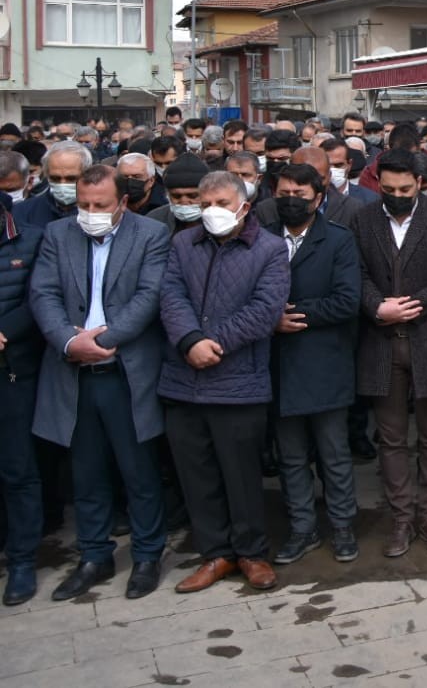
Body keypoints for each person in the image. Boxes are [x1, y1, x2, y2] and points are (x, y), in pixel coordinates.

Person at [31, 164, 170, 601]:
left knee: (138, 470)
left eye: (100, 205)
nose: (90, 213)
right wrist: (70, 342)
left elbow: (149, 296)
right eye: (84, 205)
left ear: (123, 202)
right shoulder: (57, 234)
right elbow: (43, 293)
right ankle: (94, 555)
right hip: (73, 371)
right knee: (86, 472)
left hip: (125, 371)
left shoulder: (150, 235)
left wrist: (101, 342)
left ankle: (147, 555)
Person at [159, 171, 291, 593]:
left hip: (239, 380)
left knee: (241, 475)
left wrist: (212, 343)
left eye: (221, 204)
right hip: (184, 379)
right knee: (196, 474)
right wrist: (189, 341)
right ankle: (215, 553)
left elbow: (264, 310)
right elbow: (171, 296)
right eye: (205, 205)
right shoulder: (183, 244)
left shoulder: (270, 249)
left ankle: (251, 553)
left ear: (244, 207)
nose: (212, 212)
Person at [352, 149, 427, 558]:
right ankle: (401, 520)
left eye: (405, 189)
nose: (397, 196)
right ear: (378, 184)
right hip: (381, 339)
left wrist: (413, 304)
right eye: (389, 189)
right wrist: (376, 306)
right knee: (391, 438)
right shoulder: (364, 219)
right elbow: (357, 273)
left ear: (420, 183)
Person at [266, 164, 362, 566]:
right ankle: (302, 528)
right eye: (284, 193)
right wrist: (270, 320)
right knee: (290, 456)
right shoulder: (262, 238)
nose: (291, 201)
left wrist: (294, 315)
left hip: (324, 362)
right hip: (277, 365)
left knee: (333, 453)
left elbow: (346, 301)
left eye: (300, 195)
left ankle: (342, 526)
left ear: (318, 198)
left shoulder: (338, 240)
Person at [0, 194, 43, 605]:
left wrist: (5, 331)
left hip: (12, 368)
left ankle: (22, 559)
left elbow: (39, 297)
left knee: (18, 468)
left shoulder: (31, 240)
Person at [14, 141, 92, 231]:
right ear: (46, 174)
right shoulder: (22, 211)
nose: (63, 184)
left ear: (87, 174)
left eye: (71, 178)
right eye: (55, 178)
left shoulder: (99, 212)